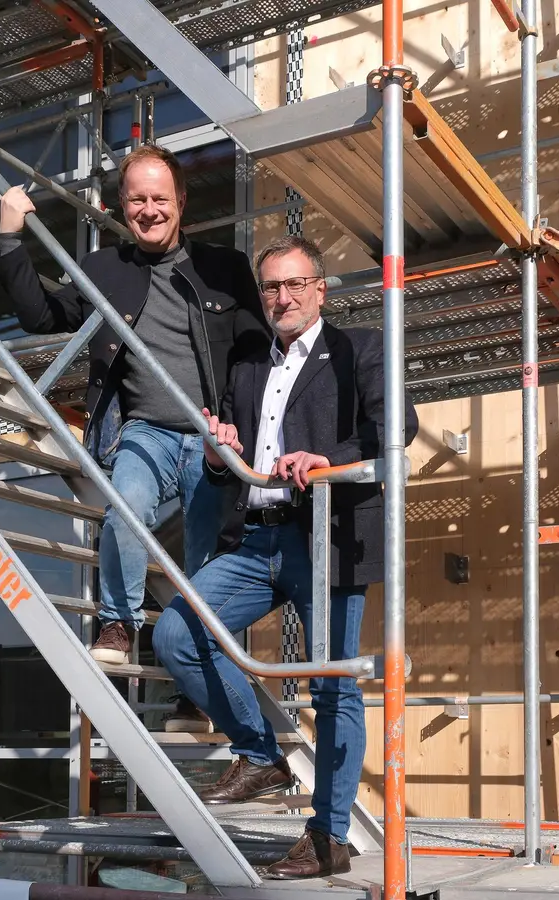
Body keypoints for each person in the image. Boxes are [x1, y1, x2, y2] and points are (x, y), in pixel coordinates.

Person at [151, 235, 419, 879]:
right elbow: (233, 471)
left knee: (332, 686)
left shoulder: (360, 346)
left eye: (296, 284)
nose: (283, 297)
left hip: (325, 533)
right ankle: (259, 751)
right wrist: (219, 457)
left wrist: (332, 458)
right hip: (257, 538)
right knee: (177, 634)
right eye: (272, 286)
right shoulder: (247, 367)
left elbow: (396, 427)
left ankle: (327, 838)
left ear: (320, 290)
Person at [0, 145, 270, 669]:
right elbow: (42, 316)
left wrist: (236, 425)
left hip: (214, 438)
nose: (149, 210)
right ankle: (118, 622)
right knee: (126, 509)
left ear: (181, 202)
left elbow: (256, 354)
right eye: (137, 199)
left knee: (206, 557)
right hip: (144, 431)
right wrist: (9, 238)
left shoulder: (223, 267)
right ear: (122, 205)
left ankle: (198, 670)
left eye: (160, 198)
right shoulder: (104, 268)